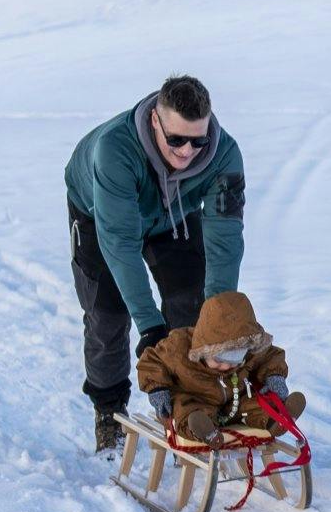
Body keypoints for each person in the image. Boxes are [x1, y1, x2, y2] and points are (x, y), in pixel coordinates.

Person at [65, 75, 246, 451]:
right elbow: (119, 243)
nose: (187, 151)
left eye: (198, 140)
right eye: (176, 139)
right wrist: (149, 327)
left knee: (191, 305)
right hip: (100, 214)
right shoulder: (113, 150)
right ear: (155, 122)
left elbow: (224, 240)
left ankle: (190, 405)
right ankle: (108, 411)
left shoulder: (225, 155)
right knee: (108, 315)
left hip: (172, 217)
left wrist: (219, 315)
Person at [136, 292, 303, 443]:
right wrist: (157, 389)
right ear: (205, 347)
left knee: (254, 404)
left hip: (235, 404)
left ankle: (277, 419)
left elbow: (270, 355)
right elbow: (151, 360)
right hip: (195, 401)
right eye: (219, 359)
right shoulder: (178, 346)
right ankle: (203, 432)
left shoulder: (250, 350)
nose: (226, 366)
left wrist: (275, 376)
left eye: (236, 359)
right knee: (184, 408)